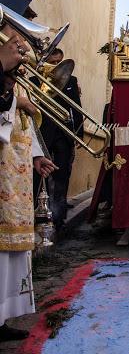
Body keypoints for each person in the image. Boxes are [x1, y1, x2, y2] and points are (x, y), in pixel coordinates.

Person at [0, 27, 57, 342]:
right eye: (13, 31)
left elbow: (21, 125)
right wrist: (16, 101)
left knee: (12, 253)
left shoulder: (12, 74)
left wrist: (36, 155)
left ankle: (2, 316)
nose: (17, 41)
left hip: (16, 172)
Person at [33, 48, 83, 229]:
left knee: (62, 174)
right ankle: (40, 212)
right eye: (52, 64)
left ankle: (59, 214)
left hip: (63, 133)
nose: (55, 69)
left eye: (58, 64)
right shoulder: (33, 79)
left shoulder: (71, 80)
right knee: (41, 174)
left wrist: (78, 133)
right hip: (42, 131)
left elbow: (76, 108)